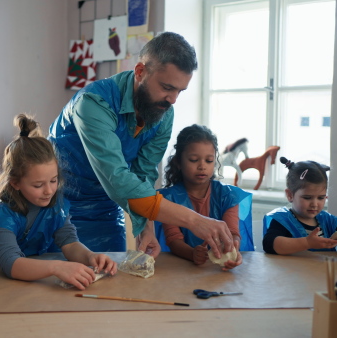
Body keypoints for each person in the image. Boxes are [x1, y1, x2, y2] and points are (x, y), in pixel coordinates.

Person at [48, 32, 233, 257]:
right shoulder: (93, 104)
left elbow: (143, 175)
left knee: (109, 278)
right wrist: (194, 221)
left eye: (179, 91)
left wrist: (146, 228)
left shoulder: (164, 113)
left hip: (106, 210)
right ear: (140, 71)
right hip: (57, 208)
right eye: (167, 87)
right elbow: (118, 179)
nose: (173, 99)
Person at [0, 114, 118, 290]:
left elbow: (70, 243)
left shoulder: (55, 206)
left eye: (53, 180)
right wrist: (56, 267)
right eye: (38, 185)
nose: (49, 191)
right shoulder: (2, 214)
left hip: (31, 277)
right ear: (15, 183)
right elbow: (11, 264)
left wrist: (90, 256)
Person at [154, 125, 252, 270]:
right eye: (193, 160)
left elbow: (232, 233)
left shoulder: (228, 196)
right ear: (178, 162)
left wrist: (233, 247)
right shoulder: (168, 200)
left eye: (209, 160)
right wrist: (192, 253)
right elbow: (173, 239)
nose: (202, 166)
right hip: (181, 269)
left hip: (216, 272)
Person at [262, 157, 337, 255]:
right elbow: (269, 244)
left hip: (323, 271)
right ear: (290, 195)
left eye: (321, 198)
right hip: (292, 271)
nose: (314, 204)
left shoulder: (329, 222)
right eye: (307, 197)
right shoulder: (282, 220)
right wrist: (307, 243)